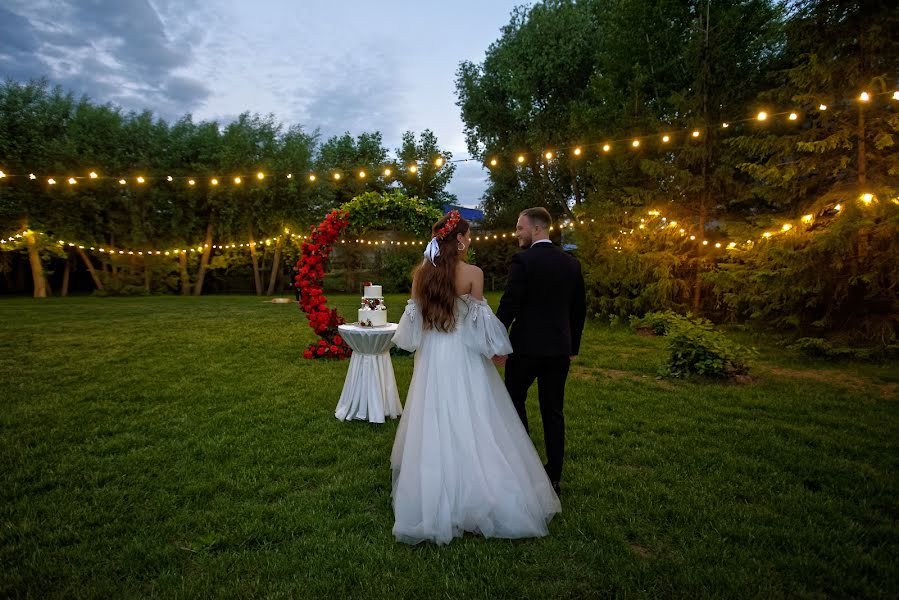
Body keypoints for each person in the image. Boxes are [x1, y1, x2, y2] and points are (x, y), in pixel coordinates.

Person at [391, 210, 561, 546]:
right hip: (464, 356)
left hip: (434, 358)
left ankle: (437, 492)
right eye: (467, 236)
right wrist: (496, 349)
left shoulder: (421, 275)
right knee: (474, 416)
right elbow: (482, 326)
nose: (470, 241)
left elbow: (410, 330)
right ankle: (481, 490)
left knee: (435, 417)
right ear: (459, 239)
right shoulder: (473, 274)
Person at [496, 207, 587, 497]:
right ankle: (554, 475)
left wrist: (496, 341)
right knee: (553, 410)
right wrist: (572, 347)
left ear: (536, 229)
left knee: (513, 402)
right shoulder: (571, 263)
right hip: (559, 350)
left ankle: (525, 464)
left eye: (520, 228)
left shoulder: (523, 261)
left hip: (525, 348)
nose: (517, 233)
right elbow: (578, 310)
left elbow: (510, 304)